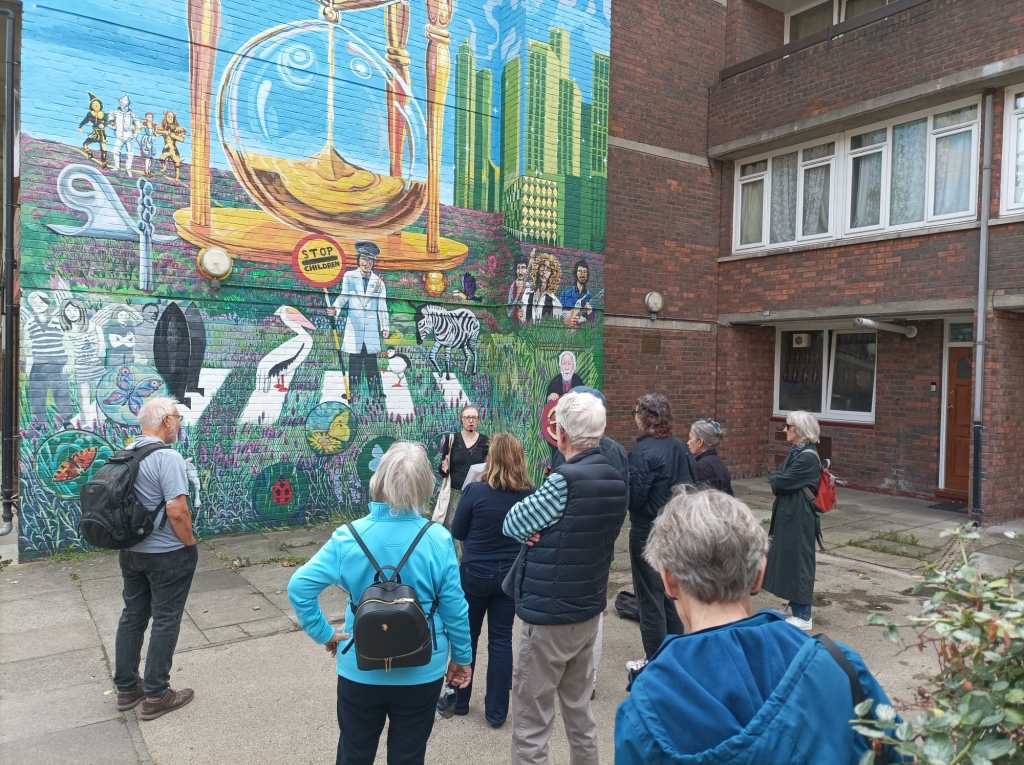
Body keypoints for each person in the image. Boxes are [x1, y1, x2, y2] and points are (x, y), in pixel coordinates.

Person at [615, 490, 897, 764]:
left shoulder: (645, 709)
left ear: (668, 580)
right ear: (759, 574)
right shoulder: (840, 665)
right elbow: (897, 751)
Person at [288, 442, 473, 765]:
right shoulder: (437, 539)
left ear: (379, 479)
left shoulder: (348, 537)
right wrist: (461, 657)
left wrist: (325, 633)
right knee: (409, 755)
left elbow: (299, 587)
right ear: (424, 486)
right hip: (422, 668)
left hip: (360, 666)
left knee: (354, 752)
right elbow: (455, 607)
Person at [503, 391, 627, 765]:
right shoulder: (616, 480)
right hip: (587, 611)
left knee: (531, 724)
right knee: (579, 715)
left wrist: (537, 531)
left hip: (547, 616)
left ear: (562, 435)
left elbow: (512, 523)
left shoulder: (563, 481)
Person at [113, 396, 199, 721]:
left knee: (133, 616)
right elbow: (177, 510)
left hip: (131, 553)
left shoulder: (126, 453)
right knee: (165, 619)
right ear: (165, 421)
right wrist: (189, 543)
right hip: (166, 555)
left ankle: (126, 688)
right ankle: (156, 694)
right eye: (177, 417)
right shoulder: (167, 458)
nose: (179, 423)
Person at [441, 432, 533, 727]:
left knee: (466, 637)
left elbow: (457, 530)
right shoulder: (528, 495)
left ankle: (460, 700)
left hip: (475, 573)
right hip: (509, 576)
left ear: (490, 459)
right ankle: (496, 713)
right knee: (501, 640)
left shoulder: (475, 492)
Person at [549, 386, 630, 700]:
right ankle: (587, 680)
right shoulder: (618, 452)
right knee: (592, 612)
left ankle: (575, 677)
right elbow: (624, 500)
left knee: (573, 613)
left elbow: (557, 500)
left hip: (571, 546)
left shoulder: (568, 449)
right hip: (600, 546)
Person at [628, 393, 697, 659]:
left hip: (648, 531)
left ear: (645, 418)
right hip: (677, 529)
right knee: (672, 594)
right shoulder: (681, 448)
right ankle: (676, 655)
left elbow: (634, 499)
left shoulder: (641, 452)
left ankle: (656, 661)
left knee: (650, 600)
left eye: (636, 412)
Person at [763, 411, 823, 632]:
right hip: (791, 514)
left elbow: (779, 482)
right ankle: (795, 605)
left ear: (799, 429)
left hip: (800, 516)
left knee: (799, 562)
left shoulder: (806, 456)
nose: (785, 430)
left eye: (788, 426)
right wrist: (778, 479)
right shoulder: (797, 451)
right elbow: (778, 477)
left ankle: (803, 614)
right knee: (789, 559)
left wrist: (777, 480)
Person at [330, 241, 390, 403]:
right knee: (354, 361)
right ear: (358, 260)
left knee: (371, 362)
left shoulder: (379, 282)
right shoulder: (349, 277)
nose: (366, 263)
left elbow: (382, 305)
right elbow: (344, 296)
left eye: (370, 260)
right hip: (354, 327)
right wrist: (335, 309)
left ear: (374, 263)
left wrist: (384, 326)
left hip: (370, 328)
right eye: (364, 259)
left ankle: (376, 392)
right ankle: (352, 392)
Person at [21, 291, 75, 425]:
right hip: (38, 365)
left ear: (47, 304)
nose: (37, 305)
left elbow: (67, 342)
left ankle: (66, 421)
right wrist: (29, 366)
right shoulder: (29, 324)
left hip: (58, 364)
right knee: (36, 395)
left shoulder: (58, 321)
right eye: (34, 303)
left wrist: (70, 362)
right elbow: (28, 347)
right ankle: (39, 424)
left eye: (40, 302)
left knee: (62, 394)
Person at [438, 404, 489, 529]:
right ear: (462, 419)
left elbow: (488, 468)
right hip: (455, 494)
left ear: (478, 420)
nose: (471, 420)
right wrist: (444, 469)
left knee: (473, 527)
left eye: (474, 417)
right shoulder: (452, 439)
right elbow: (443, 470)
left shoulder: (485, 441)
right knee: (453, 526)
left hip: (476, 495)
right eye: (467, 417)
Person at [688, 419, 733, 495]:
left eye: (690, 438)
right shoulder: (718, 462)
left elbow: (701, 499)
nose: (688, 443)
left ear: (700, 442)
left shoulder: (701, 466)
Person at [521, 252, 562, 324]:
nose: (544, 271)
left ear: (552, 274)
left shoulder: (555, 303)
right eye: (543, 266)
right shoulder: (526, 291)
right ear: (537, 268)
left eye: (548, 269)